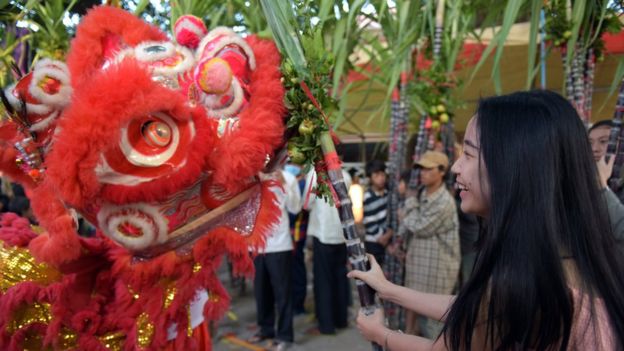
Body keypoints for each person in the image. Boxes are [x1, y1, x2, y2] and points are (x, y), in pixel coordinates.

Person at [348, 90, 624, 350]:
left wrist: (380, 334)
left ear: (512, 168)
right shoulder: (559, 254)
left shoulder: (519, 282)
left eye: (468, 154)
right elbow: (474, 308)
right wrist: (388, 290)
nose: (456, 167)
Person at [402, 151, 460, 338]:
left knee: (434, 323)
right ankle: (410, 335)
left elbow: (419, 227)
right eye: (421, 169)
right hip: (419, 263)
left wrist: (407, 209)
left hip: (436, 268)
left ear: (442, 172)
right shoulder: (422, 193)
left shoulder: (444, 201)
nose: (423, 173)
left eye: (428, 169)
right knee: (413, 304)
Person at [250, 169, 301, 350]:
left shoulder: (287, 176)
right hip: (255, 245)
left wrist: (284, 184)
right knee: (261, 292)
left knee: (282, 293)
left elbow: (296, 207)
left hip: (279, 245)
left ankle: (285, 335)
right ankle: (265, 329)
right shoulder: (250, 175)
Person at [304, 168, 352, 335]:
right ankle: (341, 319)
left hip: (323, 234)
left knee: (323, 281)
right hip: (341, 234)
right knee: (340, 278)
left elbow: (307, 203)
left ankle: (326, 325)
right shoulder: (345, 175)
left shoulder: (315, 175)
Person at [363, 160, 392, 266]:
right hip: (373, 242)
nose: (381, 178)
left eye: (382, 174)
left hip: (387, 239)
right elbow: (369, 222)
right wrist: (383, 238)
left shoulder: (388, 194)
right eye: (376, 175)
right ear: (370, 178)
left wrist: (387, 236)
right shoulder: (368, 197)